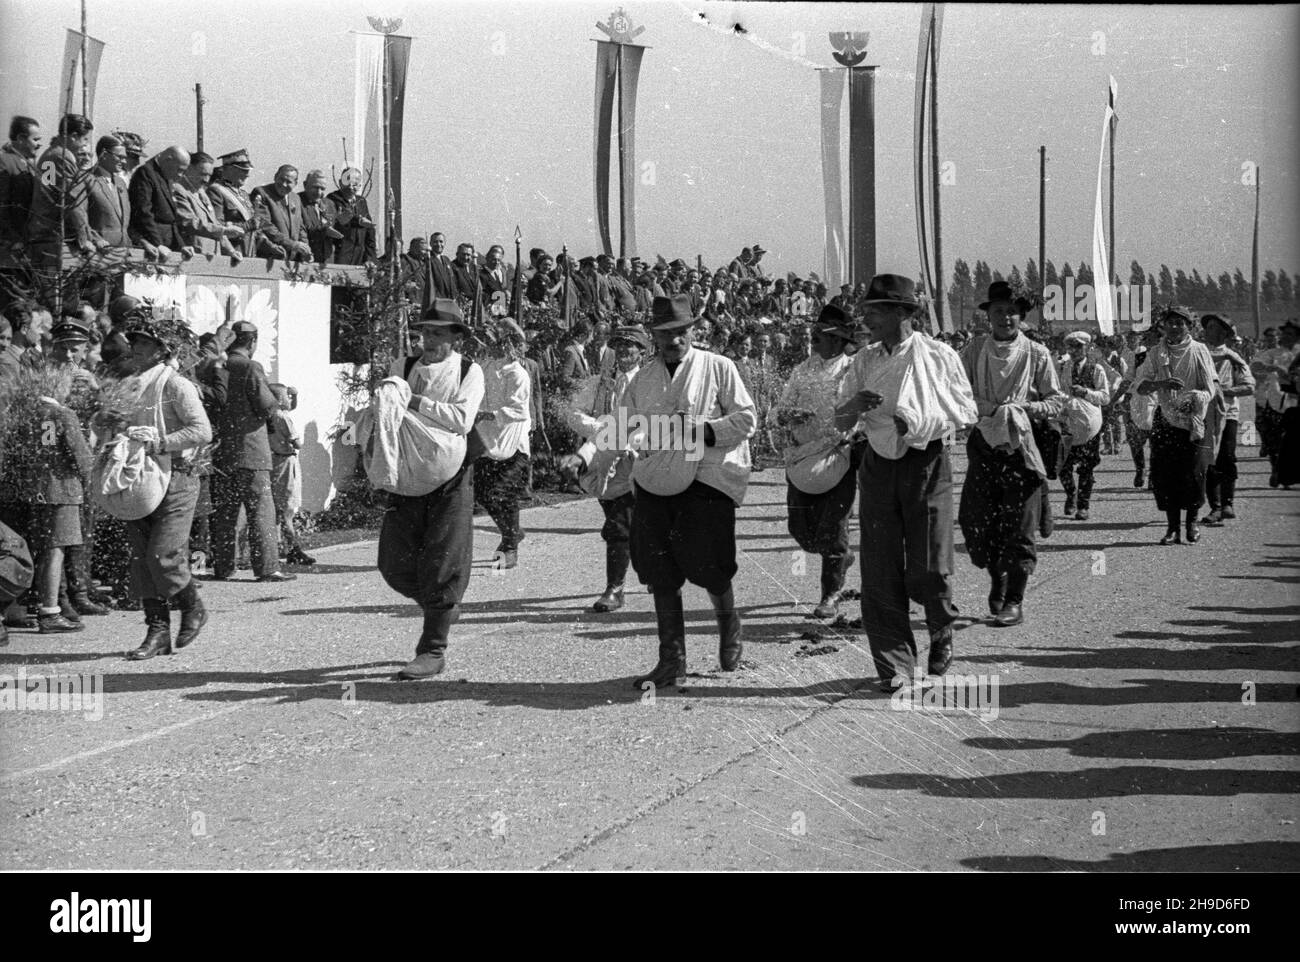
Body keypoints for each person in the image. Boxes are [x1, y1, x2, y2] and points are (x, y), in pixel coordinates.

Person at [834, 274, 978, 691]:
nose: (867, 320)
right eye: (865, 312)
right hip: (877, 464)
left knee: (930, 562)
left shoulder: (938, 355)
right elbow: (841, 421)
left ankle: (940, 628)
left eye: (875, 312)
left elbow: (964, 410)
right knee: (879, 566)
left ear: (902, 313)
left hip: (926, 462)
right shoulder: (864, 361)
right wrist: (854, 405)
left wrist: (918, 421)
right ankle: (895, 665)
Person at [623, 294, 757, 689]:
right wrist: (615, 446)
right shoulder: (642, 379)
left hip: (706, 473)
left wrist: (704, 431)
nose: (674, 340)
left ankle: (729, 626)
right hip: (657, 476)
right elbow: (623, 427)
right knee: (656, 565)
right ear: (654, 335)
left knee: (708, 562)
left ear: (693, 331)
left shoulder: (718, 367)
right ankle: (672, 660)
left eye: (681, 332)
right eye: (665, 333)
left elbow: (747, 418)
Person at [378, 299, 485, 680]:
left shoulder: (469, 371)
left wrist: (416, 400)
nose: (429, 340)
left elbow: (460, 418)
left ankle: (432, 649)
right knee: (392, 564)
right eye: (425, 332)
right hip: (407, 472)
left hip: (452, 473)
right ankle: (441, 608)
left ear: (456, 338)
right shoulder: (403, 367)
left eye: (439, 333)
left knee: (444, 558)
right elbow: (388, 407)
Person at [98, 314, 213, 659]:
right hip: (138, 476)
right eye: (133, 341)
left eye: (143, 343)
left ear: (161, 350)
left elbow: (202, 431)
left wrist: (159, 443)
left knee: (162, 555)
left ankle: (193, 606)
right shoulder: (130, 385)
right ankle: (157, 632)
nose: (134, 347)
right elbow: (111, 423)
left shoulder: (176, 385)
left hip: (177, 477)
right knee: (141, 560)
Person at [958, 283, 1064, 628]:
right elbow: (957, 393)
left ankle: (1015, 600)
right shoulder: (973, 350)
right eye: (999, 311)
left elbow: (1056, 401)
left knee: (1020, 528)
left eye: (1012, 312)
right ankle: (997, 578)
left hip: (1022, 447)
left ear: (1022, 316)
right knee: (978, 523)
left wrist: (1023, 408)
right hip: (984, 446)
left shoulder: (1036, 353)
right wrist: (989, 409)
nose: (1006, 318)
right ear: (988, 316)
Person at [775, 305, 859, 620]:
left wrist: (850, 435)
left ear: (838, 340)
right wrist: (789, 415)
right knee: (800, 531)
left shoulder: (853, 369)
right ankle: (841, 558)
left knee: (833, 530)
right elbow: (782, 408)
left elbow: (863, 411)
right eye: (814, 335)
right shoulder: (802, 370)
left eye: (821, 336)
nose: (815, 340)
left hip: (838, 457)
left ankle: (830, 595)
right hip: (801, 457)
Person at [558, 323, 649, 612]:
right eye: (618, 345)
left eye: (629, 346)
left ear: (642, 352)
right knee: (621, 520)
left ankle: (615, 588)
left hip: (637, 461)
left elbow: (655, 421)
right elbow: (572, 413)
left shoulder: (649, 384)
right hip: (601, 461)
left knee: (620, 525)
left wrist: (630, 439)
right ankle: (644, 564)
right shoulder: (600, 383)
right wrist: (599, 428)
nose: (623, 351)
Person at [209, 320, 295, 583]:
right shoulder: (250, 367)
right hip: (252, 451)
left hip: (222, 451)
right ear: (253, 342)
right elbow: (267, 406)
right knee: (261, 511)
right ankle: (267, 567)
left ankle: (224, 567)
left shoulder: (217, 366)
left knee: (224, 514)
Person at [1134, 307, 1220, 545]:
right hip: (1166, 419)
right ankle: (1172, 528)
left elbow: (1210, 387)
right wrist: (1162, 383)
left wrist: (1193, 398)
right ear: (1163, 326)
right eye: (1170, 323)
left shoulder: (1199, 351)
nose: (1174, 327)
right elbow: (1141, 386)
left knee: (1193, 473)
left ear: (1189, 326)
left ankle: (1191, 524)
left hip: (1193, 420)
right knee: (1166, 473)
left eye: (1180, 323)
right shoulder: (1155, 353)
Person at [473, 319, 532, 568]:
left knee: (502, 494)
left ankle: (509, 544)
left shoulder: (517, 373)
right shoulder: (485, 367)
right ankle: (512, 532)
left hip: (512, 444)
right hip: (487, 442)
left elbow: (518, 409)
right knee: (484, 493)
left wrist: (489, 414)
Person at [1199, 314, 1255, 525]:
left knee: (1227, 457)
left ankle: (1228, 502)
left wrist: (1224, 391)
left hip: (1228, 413)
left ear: (1224, 333)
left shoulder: (1233, 357)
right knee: (1208, 460)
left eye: (1213, 327)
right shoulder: (1198, 352)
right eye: (1208, 326)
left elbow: (1249, 385)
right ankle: (1215, 507)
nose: (1207, 330)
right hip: (1202, 414)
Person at [26, 113, 100, 267]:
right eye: (85, 139)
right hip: (56, 238)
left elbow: (49, 194)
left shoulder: (50, 155)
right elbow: (72, 201)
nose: (85, 145)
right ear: (73, 136)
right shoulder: (61, 158)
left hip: (46, 234)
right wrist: (84, 239)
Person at [1055, 331, 1109, 520]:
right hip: (1069, 424)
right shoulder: (1063, 367)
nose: (1074, 350)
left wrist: (1085, 392)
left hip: (1089, 427)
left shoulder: (1096, 369)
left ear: (1087, 348)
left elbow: (1104, 397)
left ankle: (1083, 506)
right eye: (1071, 347)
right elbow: (1058, 392)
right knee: (1063, 466)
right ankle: (1071, 494)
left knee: (1087, 467)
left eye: (1078, 346)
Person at [268, 384, 315, 566]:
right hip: (286, 461)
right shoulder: (283, 418)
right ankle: (293, 549)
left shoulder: (270, 415)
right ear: (280, 400)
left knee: (278, 506)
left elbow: (290, 407)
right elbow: (297, 444)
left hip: (275, 461)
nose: (290, 399)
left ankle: (279, 545)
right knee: (287, 507)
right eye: (287, 396)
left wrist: (295, 395)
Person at [1251, 322, 1298, 487]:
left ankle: (1287, 474)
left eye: (1290, 334)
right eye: (1284, 333)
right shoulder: (1272, 353)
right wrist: (1271, 367)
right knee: (1274, 439)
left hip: (1296, 402)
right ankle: (1277, 470)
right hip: (1276, 401)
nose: (1286, 337)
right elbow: (1255, 366)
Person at [173, 150, 242, 260]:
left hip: (211, 256)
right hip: (193, 256)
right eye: (202, 174)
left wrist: (231, 250)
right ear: (189, 168)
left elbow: (214, 223)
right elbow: (189, 223)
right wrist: (224, 230)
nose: (206, 180)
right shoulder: (179, 190)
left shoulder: (201, 192)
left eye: (209, 175)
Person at [128, 146, 194, 257]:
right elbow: (143, 212)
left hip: (165, 244)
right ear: (168, 159)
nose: (180, 175)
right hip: (153, 247)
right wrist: (157, 244)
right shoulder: (146, 173)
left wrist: (181, 245)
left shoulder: (164, 175)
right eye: (179, 169)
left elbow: (171, 220)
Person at [251, 165, 311, 262]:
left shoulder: (296, 198)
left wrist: (306, 250)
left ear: (295, 183)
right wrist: (291, 244)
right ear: (275, 177)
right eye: (281, 179)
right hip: (269, 257)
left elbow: (300, 228)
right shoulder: (261, 193)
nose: (284, 184)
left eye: (289, 182)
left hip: (292, 260)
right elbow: (265, 225)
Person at [207, 149, 259, 256]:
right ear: (228, 169)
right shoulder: (216, 190)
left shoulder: (243, 194)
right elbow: (217, 226)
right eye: (243, 170)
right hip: (230, 252)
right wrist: (246, 227)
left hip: (248, 251)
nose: (247, 175)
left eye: (248, 171)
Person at [0, 115, 41, 248]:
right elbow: (2, 205)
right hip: (12, 242)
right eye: (35, 139)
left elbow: (47, 190)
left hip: (28, 238)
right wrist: (11, 237)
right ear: (21, 139)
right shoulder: (5, 162)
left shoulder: (33, 165)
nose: (39, 144)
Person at [86, 135, 132, 249]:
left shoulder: (120, 183)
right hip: (98, 252)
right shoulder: (87, 180)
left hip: (122, 252)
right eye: (120, 157)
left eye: (125, 157)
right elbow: (79, 217)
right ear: (104, 155)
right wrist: (95, 239)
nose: (124, 161)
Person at [325, 166, 376, 265]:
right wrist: (359, 220)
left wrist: (370, 258)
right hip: (340, 255)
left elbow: (370, 232)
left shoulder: (362, 202)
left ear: (360, 185)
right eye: (347, 182)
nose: (350, 186)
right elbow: (343, 218)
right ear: (340, 182)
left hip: (360, 256)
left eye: (355, 184)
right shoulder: (332, 198)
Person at [299, 170, 343, 264]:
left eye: (323, 189)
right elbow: (300, 230)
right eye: (315, 187)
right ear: (305, 184)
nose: (319, 192)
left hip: (326, 260)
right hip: (305, 259)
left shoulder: (329, 203)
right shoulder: (297, 201)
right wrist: (324, 230)